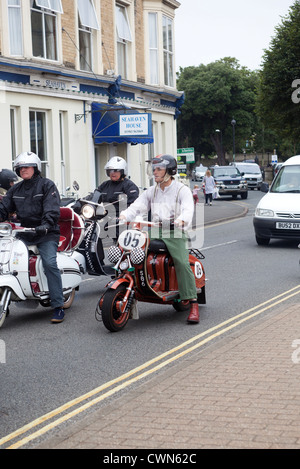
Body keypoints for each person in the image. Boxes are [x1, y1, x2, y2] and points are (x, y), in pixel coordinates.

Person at [119, 154, 200, 324]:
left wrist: (181, 220)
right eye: (153, 169)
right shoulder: (152, 190)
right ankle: (132, 287)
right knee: (130, 252)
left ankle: (193, 303)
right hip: (154, 230)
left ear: (170, 171)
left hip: (175, 231)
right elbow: (138, 205)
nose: (154, 172)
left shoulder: (181, 190)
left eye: (158, 169)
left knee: (181, 262)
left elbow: (188, 210)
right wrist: (126, 214)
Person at [0, 152, 65, 324]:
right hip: (24, 232)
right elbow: (4, 208)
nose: (23, 170)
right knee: (4, 260)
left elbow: (52, 209)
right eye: (20, 168)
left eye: (26, 167)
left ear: (35, 168)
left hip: (46, 233)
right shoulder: (16, 189)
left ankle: (58, 306)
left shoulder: (47, 185)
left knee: (50, 263)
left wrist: (45, 225)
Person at [73, 156, 139, 239]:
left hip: (121, 221)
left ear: (122, 171)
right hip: (105, 217)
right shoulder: (105, 185)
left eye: (115, 170)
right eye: (110, 171)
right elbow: (94, 196)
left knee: (116, 239)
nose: (112, 173)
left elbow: (134, 205)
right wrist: (79, 202)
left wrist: (121, 217)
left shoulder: (129, 186)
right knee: (89, 233)